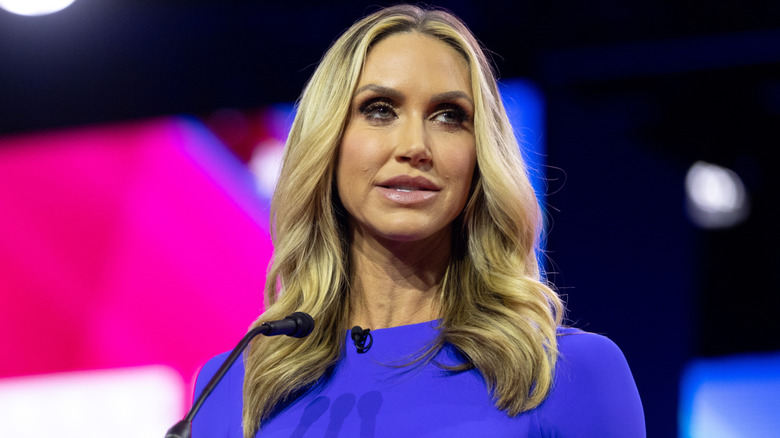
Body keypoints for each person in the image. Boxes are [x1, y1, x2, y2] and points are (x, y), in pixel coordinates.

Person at [192, 4, 645, 437]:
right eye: (380, 110)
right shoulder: (233, 388)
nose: (414, 145)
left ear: (479, 159)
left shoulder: (568, 372)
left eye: (449, 117)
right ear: (328, 144)